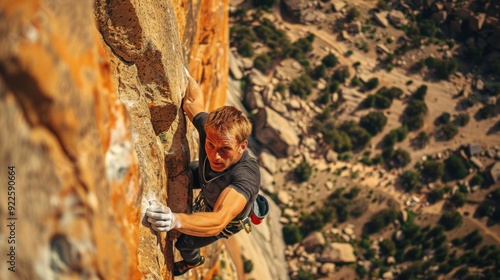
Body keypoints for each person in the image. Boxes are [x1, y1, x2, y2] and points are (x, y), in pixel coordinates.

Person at [146, 70, 261, 276]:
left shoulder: (247, 177)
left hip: (225, 211)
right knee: (184, 172)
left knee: (185, 242)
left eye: (225, 149)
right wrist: (185, 73)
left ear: (242, 146)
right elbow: (191, 100)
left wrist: (176, 220)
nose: (215, 155)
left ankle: (193, 261)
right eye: (210, 144)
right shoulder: (209, 127)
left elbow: (218, 220)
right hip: (207, 178)